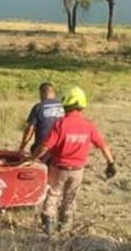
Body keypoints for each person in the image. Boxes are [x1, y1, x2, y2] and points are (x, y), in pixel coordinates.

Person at [27, 87, 116, 235]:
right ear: (81, 105)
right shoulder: (88, 125)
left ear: (65, 104)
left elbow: (45, 146)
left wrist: (32, 158)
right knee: (70, 198)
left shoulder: (61, 124)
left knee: (53, 194)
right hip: (78, 170)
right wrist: (111, 163)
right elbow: (103, 145)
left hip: (58, 168)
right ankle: (65, 228)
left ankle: (48, 229)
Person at [18, 83, 63, 157]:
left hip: (42, 148)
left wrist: (22, 147)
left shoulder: (38, 107)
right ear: (53, 92)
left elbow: (30, 129)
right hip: (59, 147)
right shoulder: (63, 107)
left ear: (42, 93)